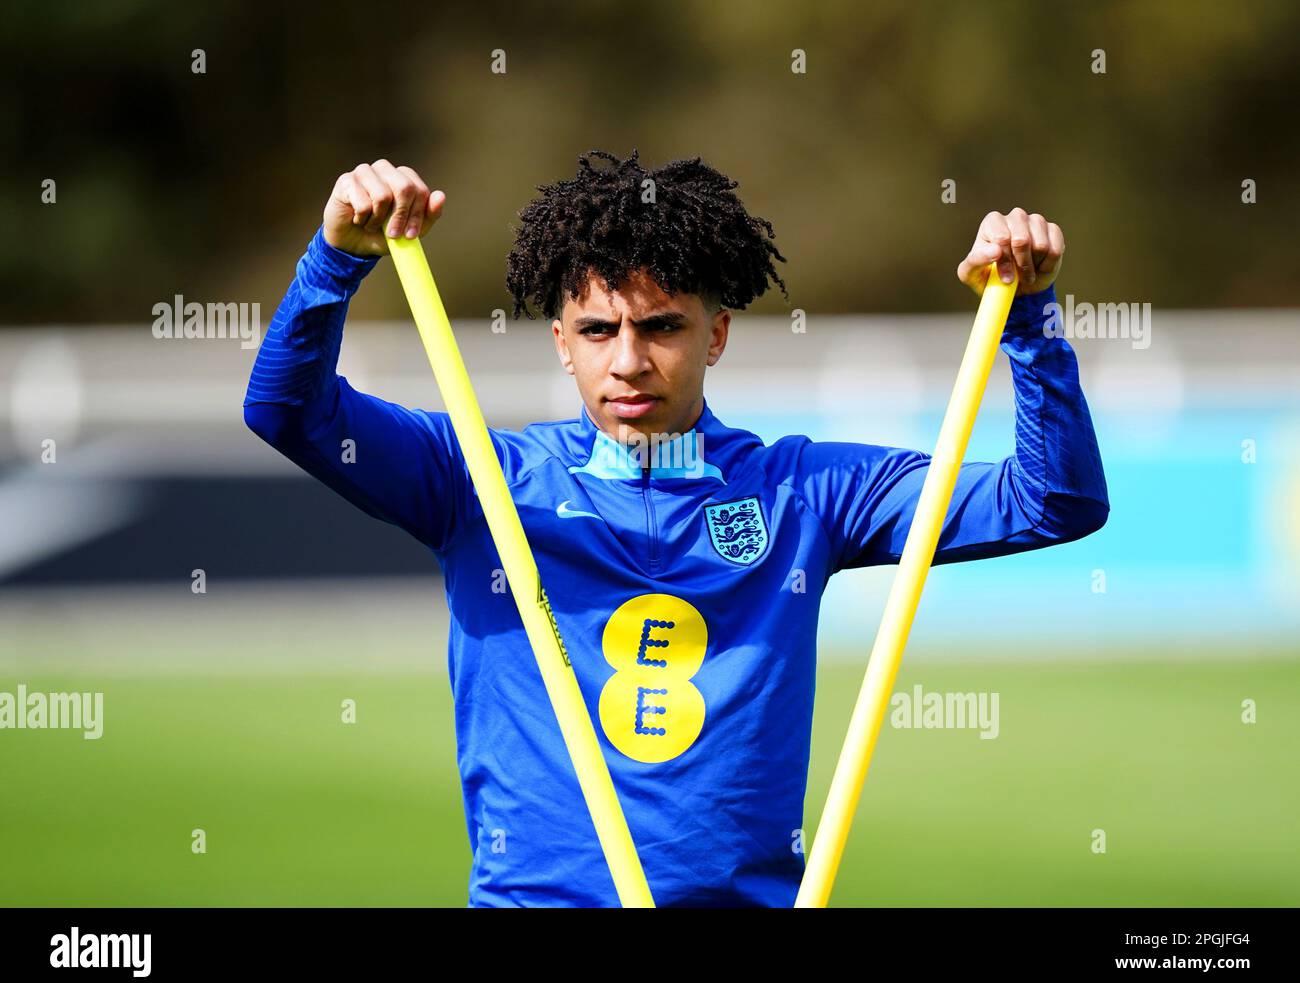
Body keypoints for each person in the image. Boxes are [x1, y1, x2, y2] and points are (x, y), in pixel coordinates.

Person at [243, 149, 1109, 907]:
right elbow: (286, 409)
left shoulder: (805, 488)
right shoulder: (480, 478)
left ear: (717, 333)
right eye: (597, 330)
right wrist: (335, 262)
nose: (627, 360)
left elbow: (1052, 500)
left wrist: (1029, 320)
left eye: (661, 327)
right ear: (560, 342)